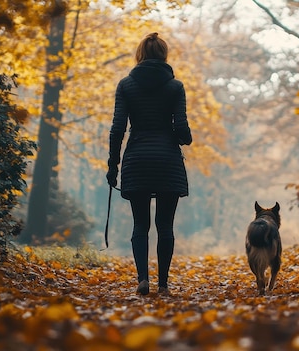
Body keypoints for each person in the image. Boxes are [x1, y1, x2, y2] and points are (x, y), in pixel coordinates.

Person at [106, 32, 192, 296]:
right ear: (164, 55)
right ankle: (163, 285)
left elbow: (117, 128)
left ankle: (142, 279)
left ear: (140, 54)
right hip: (167, 161)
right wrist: (182, 136)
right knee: (165, 225)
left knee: (140, 224)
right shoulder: (175, 87)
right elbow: (183, 131)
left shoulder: (126, 85)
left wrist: (113, 165)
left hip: (137, 161)